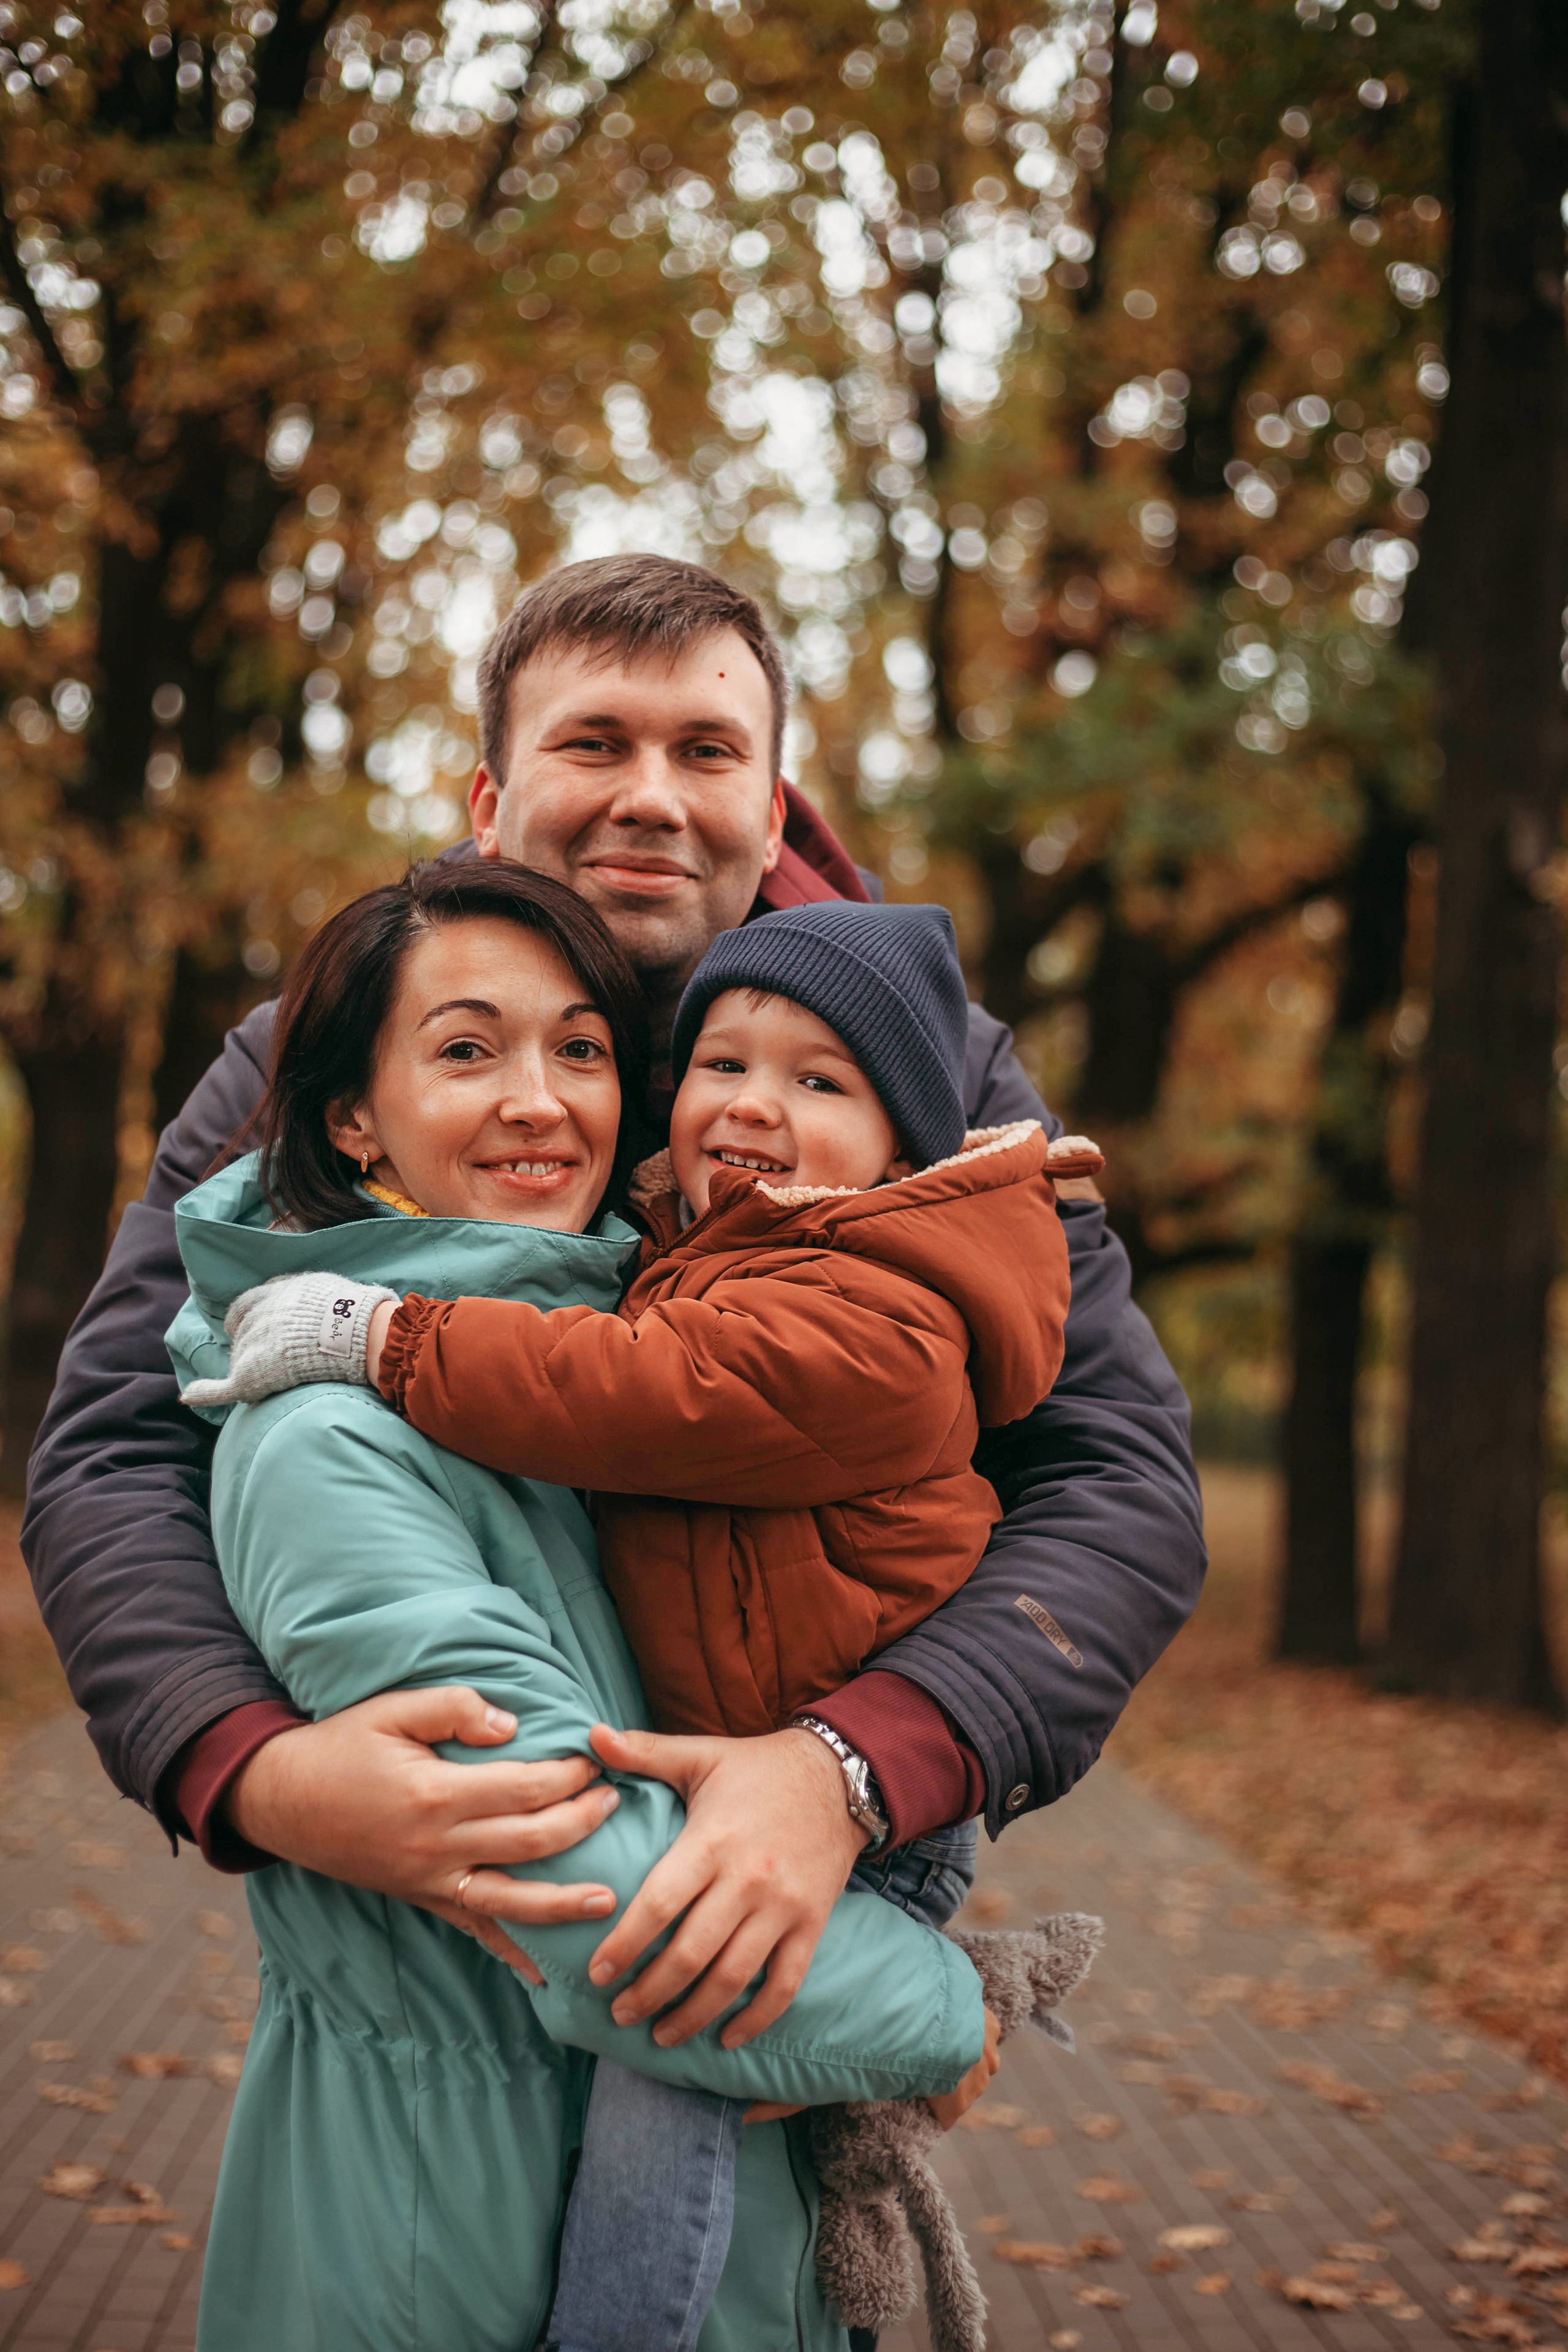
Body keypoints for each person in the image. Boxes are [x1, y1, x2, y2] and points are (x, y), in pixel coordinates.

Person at [23, 551, 1205, 2068]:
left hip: (793, 1869)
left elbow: (1119, 1478)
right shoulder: (324, 1051)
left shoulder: (929, 1081)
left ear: (770, 808)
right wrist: (248, 1767)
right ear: (487, 801)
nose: (651, 794)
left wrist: (851, 1764)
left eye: (705, 751)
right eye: (593, 743)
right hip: (430, 1941)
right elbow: (116, 1446)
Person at [187, 894, 1106, 2352]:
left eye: (583, 1048)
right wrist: (946, 2014)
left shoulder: (679, 1332)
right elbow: (602, 1910)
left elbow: (1115, 1490)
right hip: (448, 2246)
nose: (539, 1099)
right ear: (355, 1118)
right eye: (468, 1051)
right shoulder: (336, 1442)